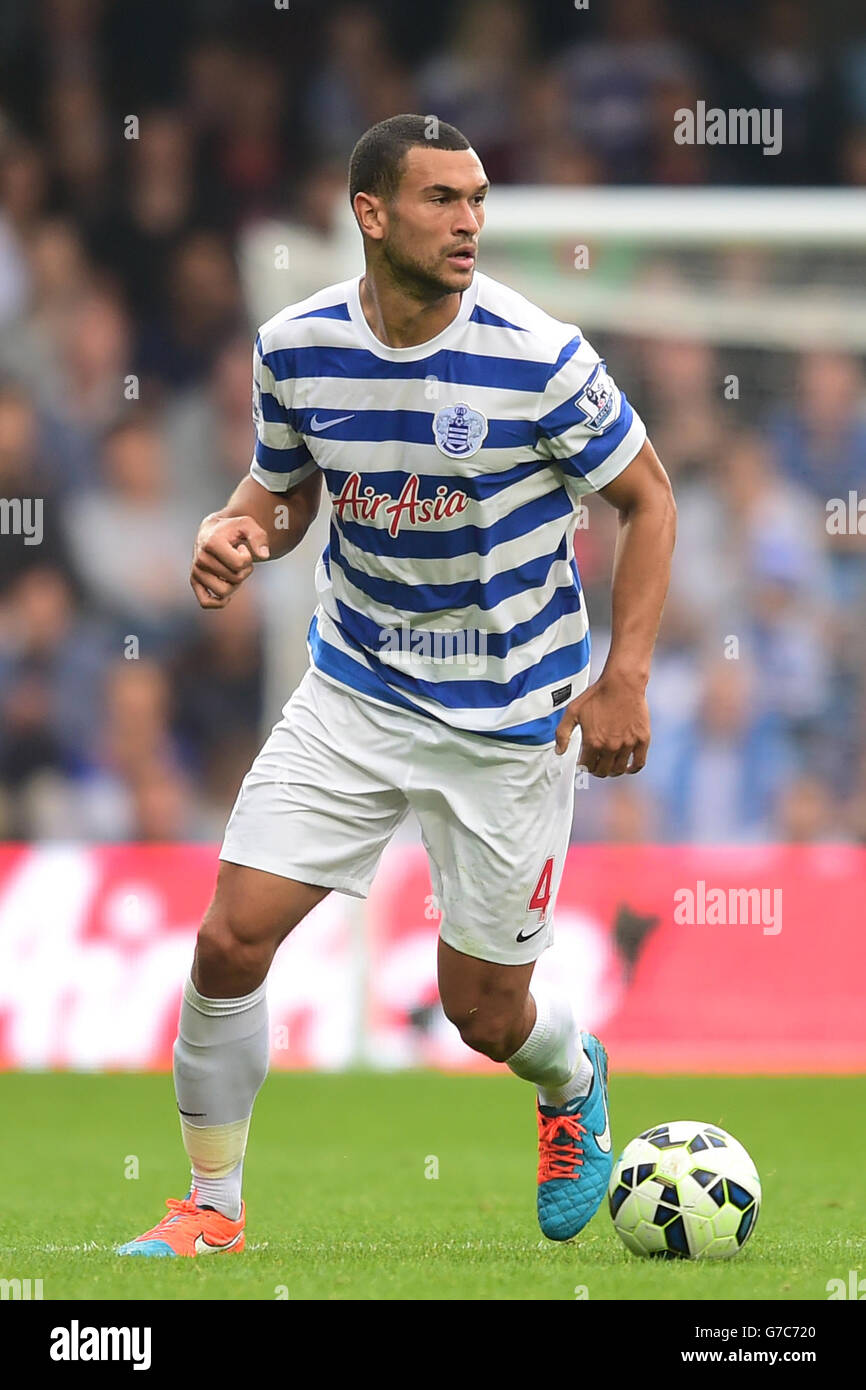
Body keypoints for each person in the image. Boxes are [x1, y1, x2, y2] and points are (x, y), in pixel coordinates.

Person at [117, 114, 675, 1258]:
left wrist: (622, 678)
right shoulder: (295, 345)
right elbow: (282, 493)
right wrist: (235, 530)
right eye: (440, 199)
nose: (468, 220)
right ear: (370, 214)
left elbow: (649, 499)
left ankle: (570, 1083)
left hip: (510, 716)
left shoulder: (539, 356)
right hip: (355, 689)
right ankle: (210, 1210)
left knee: (481, 1011)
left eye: (476, 199)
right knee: (229, 941)